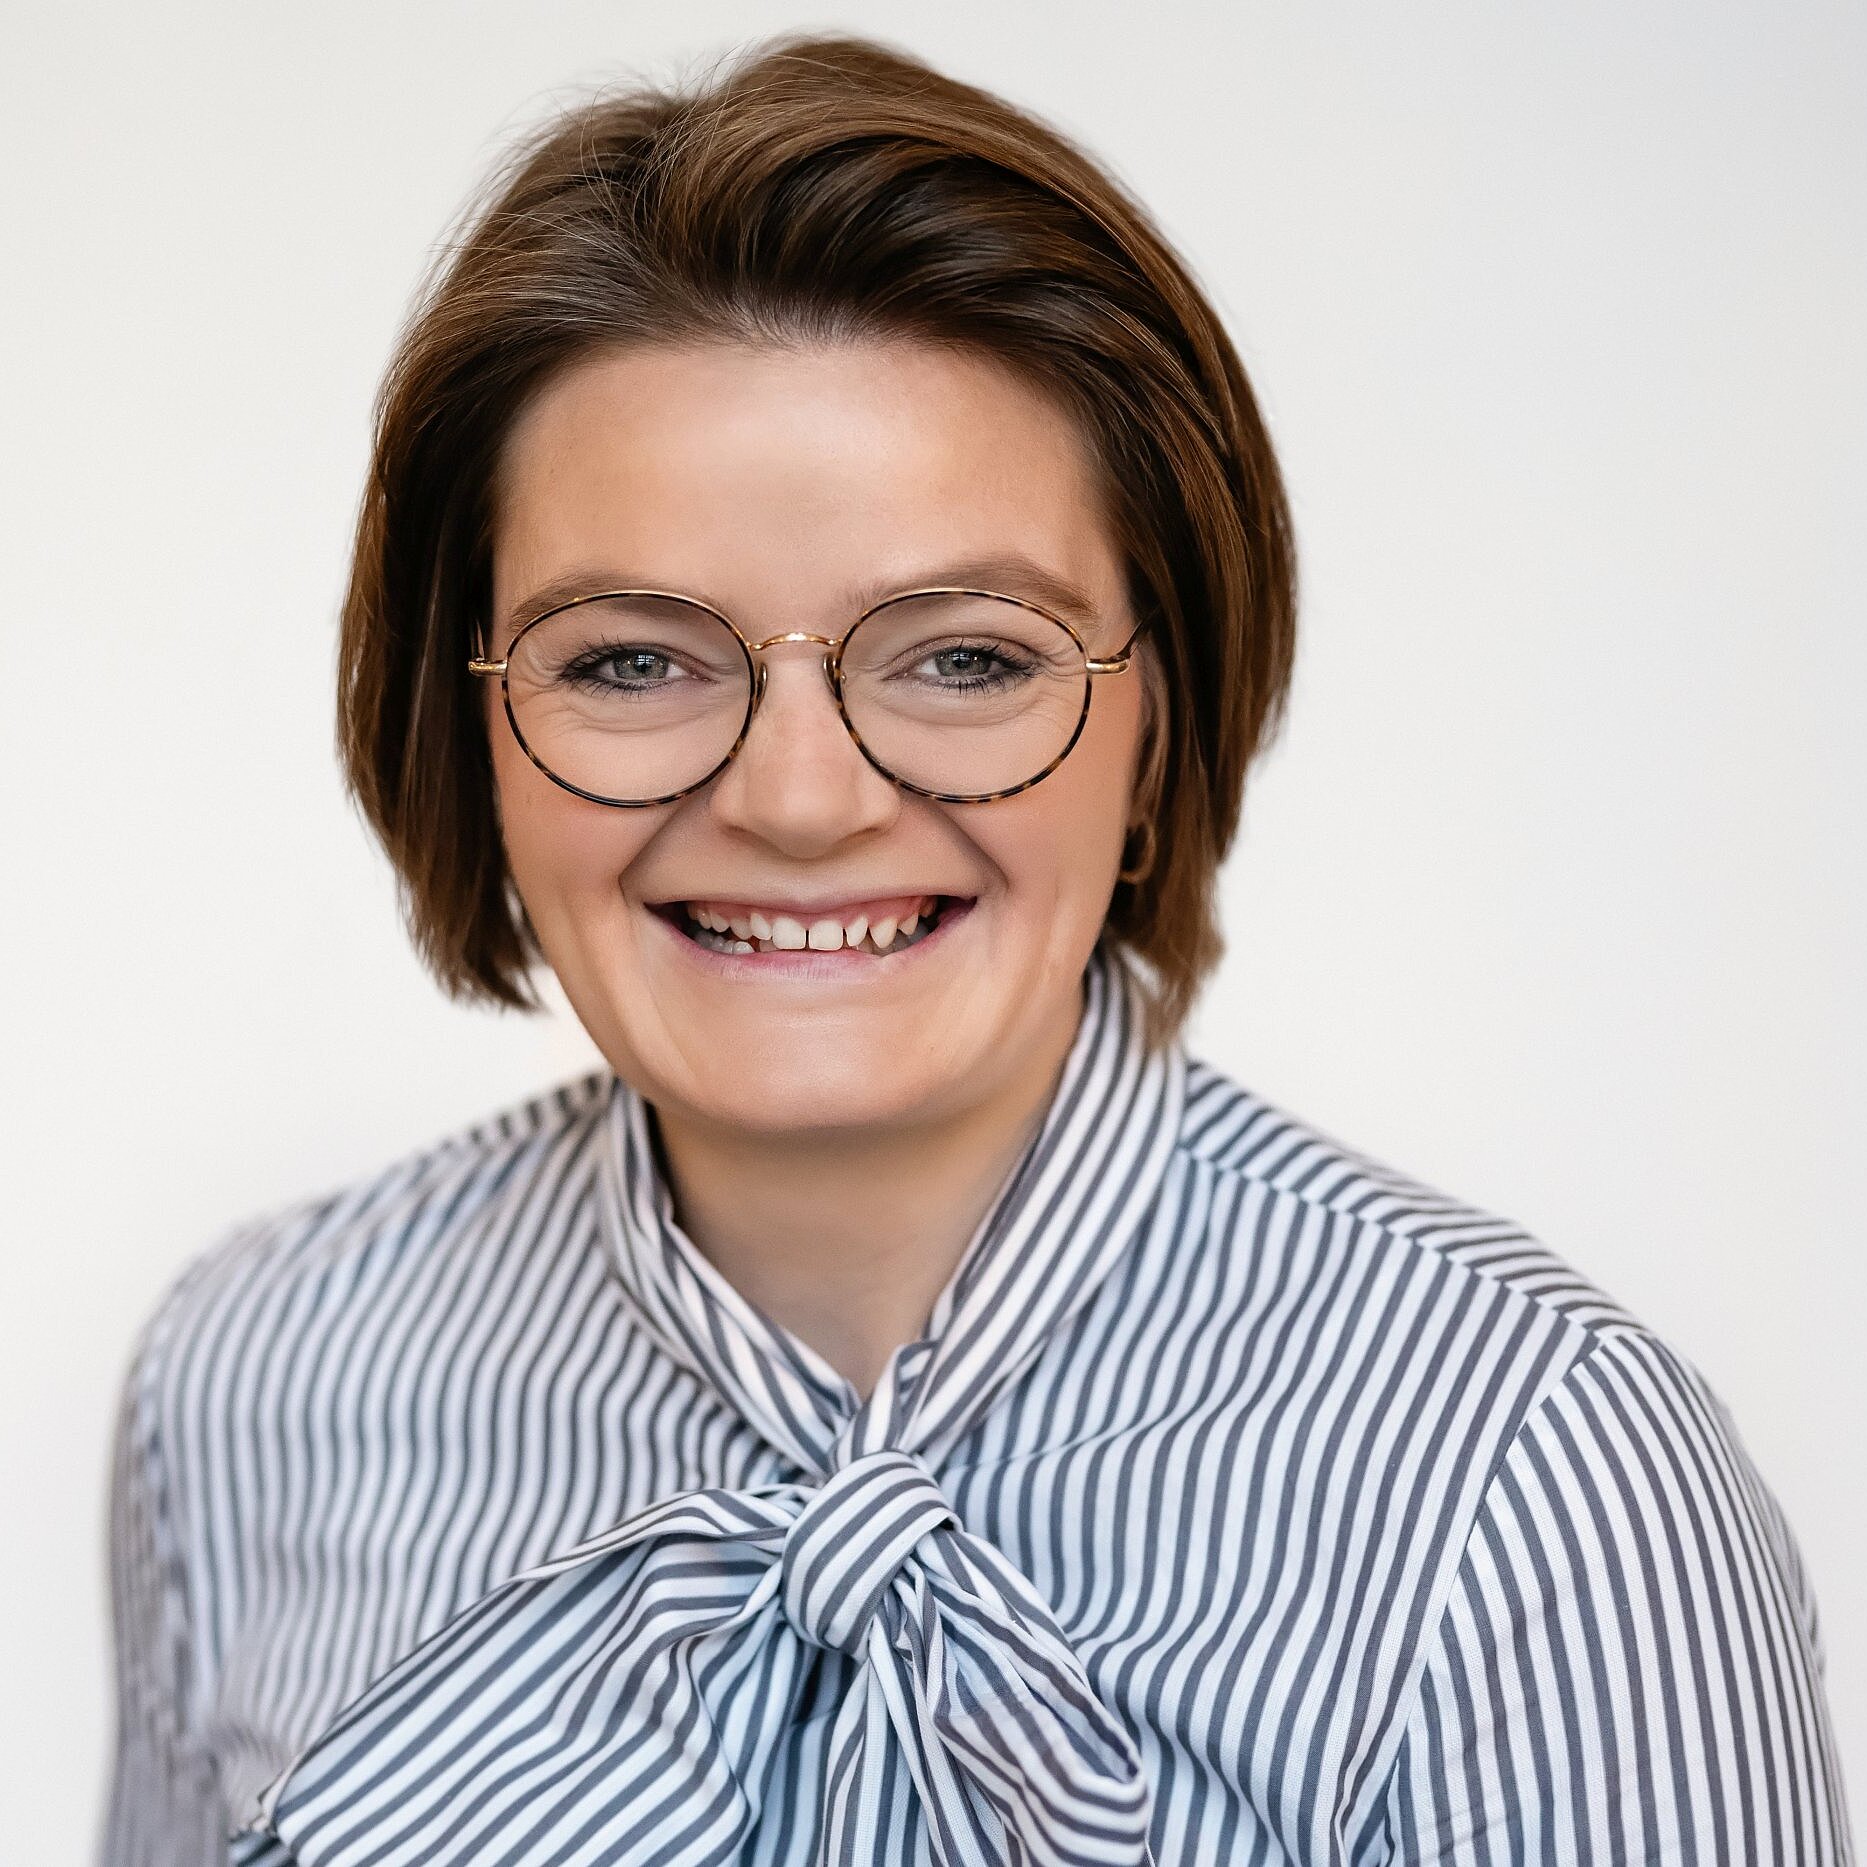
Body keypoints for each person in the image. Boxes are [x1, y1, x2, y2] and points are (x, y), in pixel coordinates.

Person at [100, 32, 1851, 1867]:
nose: (797, 800)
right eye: (628, 659)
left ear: (1157, 730)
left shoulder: (1542, 1485)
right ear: (469, 730)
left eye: (966, 657)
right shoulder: (247, 1392)